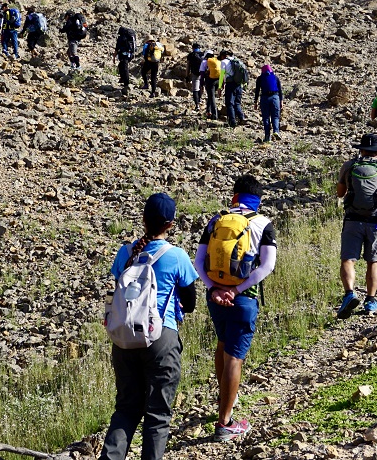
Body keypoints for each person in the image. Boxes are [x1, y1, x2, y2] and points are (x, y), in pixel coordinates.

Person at [100, 193, 199, 460]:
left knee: (126, 409)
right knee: (157, 414)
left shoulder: (125, 253)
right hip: (161, 339)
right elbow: (190, 304)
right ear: (170, 224)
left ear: (143, 219)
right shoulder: (176, 256)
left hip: (124, 340)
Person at [195, 176, 277, 442]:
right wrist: (237, 290)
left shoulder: (216, 220)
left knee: (222, 344)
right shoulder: (263, 223)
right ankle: (225, 422)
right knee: (235, 356)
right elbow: (267, 266)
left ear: (235, 196)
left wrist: (214, 289)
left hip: (215, 297)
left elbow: (198, 261)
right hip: (243, 298)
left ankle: (225, 397)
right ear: (258, 200)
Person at [335, 133, 377, 318]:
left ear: (361, 149)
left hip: (353, 219)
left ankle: (349, 294)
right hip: (376, 221)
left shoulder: (349, 166)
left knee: (348, 259)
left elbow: (340, 193)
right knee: (373, 261)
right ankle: (370, 300)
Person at [254, 64, 282, 143]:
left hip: (265, 98)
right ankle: (276, 131)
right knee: (275, 116)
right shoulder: (275, 77)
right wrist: (281, 101)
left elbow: (257, 91)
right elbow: (280, 90)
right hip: (275, 97)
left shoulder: (260, 78)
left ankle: (267, 137)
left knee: (266, 118)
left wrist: (255, 102)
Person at [221, 51, 247, 127]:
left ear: (224, 56)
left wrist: (220, 86)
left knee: (229, 103)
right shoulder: (238, 61)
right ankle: (241, 118)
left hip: (230, 84)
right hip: (238, 85)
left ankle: (232, 121)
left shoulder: (224, 62)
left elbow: (222, 75)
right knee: (237, 103)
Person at [115, 27, 136, 95]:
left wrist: (114, 57)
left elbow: (117, 47)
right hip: (130, 55)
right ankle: (123, 79)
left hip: (124, 55)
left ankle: (126, 83)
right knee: (121, 66)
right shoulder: (130, 37)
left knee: (125, 68)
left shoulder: (121, 37)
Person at [200, 51, 221, 119]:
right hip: (218, 80)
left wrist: (201, 84)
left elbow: (202, 74)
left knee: (212, 97)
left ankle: (214, 115)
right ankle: (208, 111)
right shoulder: (217, 61)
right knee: (210, 96)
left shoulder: (204, 62)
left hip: (210, 81)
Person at [186, 43, 205, 110]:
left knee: (195, 89)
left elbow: (188, 66)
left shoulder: (190, 55)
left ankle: (197, 105)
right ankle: (200, 99)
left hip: (195, 74)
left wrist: (187, 76)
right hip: (203, 73)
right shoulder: (203, 54)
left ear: (193, 48)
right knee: (201, 87)